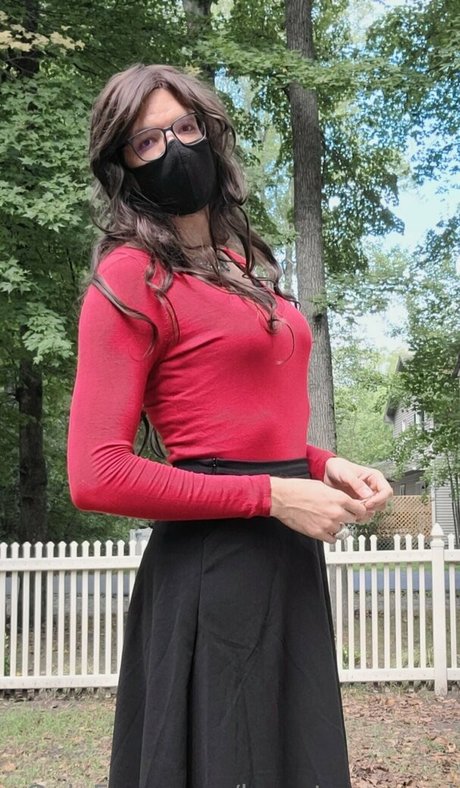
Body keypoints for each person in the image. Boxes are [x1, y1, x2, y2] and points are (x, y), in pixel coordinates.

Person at [67, 63, 393, 788]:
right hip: (213, 571)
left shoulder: (242, 265)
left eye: (185, 128)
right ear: (122, 164)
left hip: (288, 559)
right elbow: (95, 474)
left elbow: (237, 424)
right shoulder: (130, 276)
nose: (174, 148)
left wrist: (321, 465)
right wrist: (272, 496)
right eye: (148, 141)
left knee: (295, 761)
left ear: (211, 134)